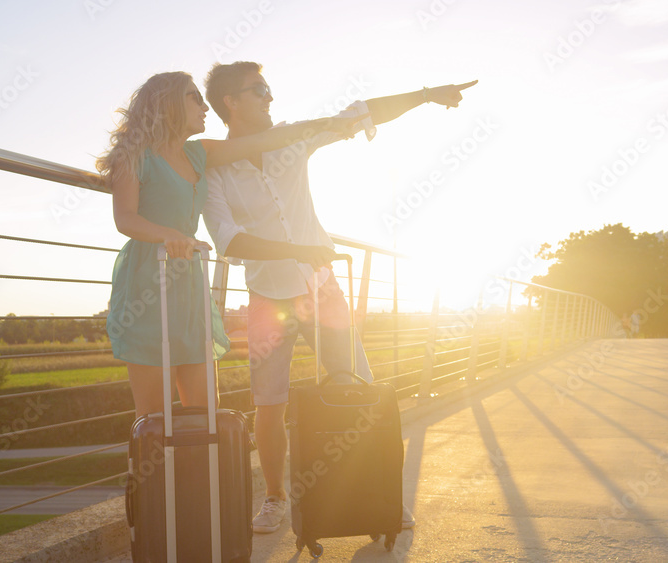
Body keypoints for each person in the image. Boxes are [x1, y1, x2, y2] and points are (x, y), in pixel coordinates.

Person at [202, 61, 476, 533]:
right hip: (268, 297)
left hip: (320, 290)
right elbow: (229, 241)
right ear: (231, 102)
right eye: (259, 90)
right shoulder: (213, 168)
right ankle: (274, 498)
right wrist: (300, 250)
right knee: (269, 405)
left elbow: (359, 112)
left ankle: (380, 495)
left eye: (269, 88)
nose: (270, 97)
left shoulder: (294, 137)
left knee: (360, 391)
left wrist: (427, 94)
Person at [96, 71, 362, 417]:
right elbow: (125, 219)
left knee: (207, 412)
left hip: (190, 280)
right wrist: (168, 235)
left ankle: (200, 473)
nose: (205, 106)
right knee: (153, 418)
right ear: (167, 103)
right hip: (149, 279)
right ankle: (146, 471)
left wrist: (335, 123)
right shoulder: (133, 154)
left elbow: (264, 142)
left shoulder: (198, 154)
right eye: (194, 97)